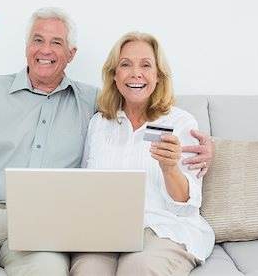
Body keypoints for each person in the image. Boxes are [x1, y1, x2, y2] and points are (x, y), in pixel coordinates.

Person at [0, 7, 214, 275]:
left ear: (71, 54)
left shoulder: (92, 105)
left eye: (57, 42)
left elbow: (145, 108)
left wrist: (211, 147)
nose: (46, 50)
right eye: (38, 40)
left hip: (41, 224)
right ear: (27, 48)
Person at [70, 32, 215, 276]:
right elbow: (87, 188)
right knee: (87, 271)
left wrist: (169, 169)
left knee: (138, 269)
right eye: (125, 64)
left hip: (164, 228)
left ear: (158, 76)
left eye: (145, 65)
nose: (135, 73)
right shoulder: (99, 124)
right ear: (114, 75)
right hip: (106, 230)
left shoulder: (180, 122)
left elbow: (185, 207)